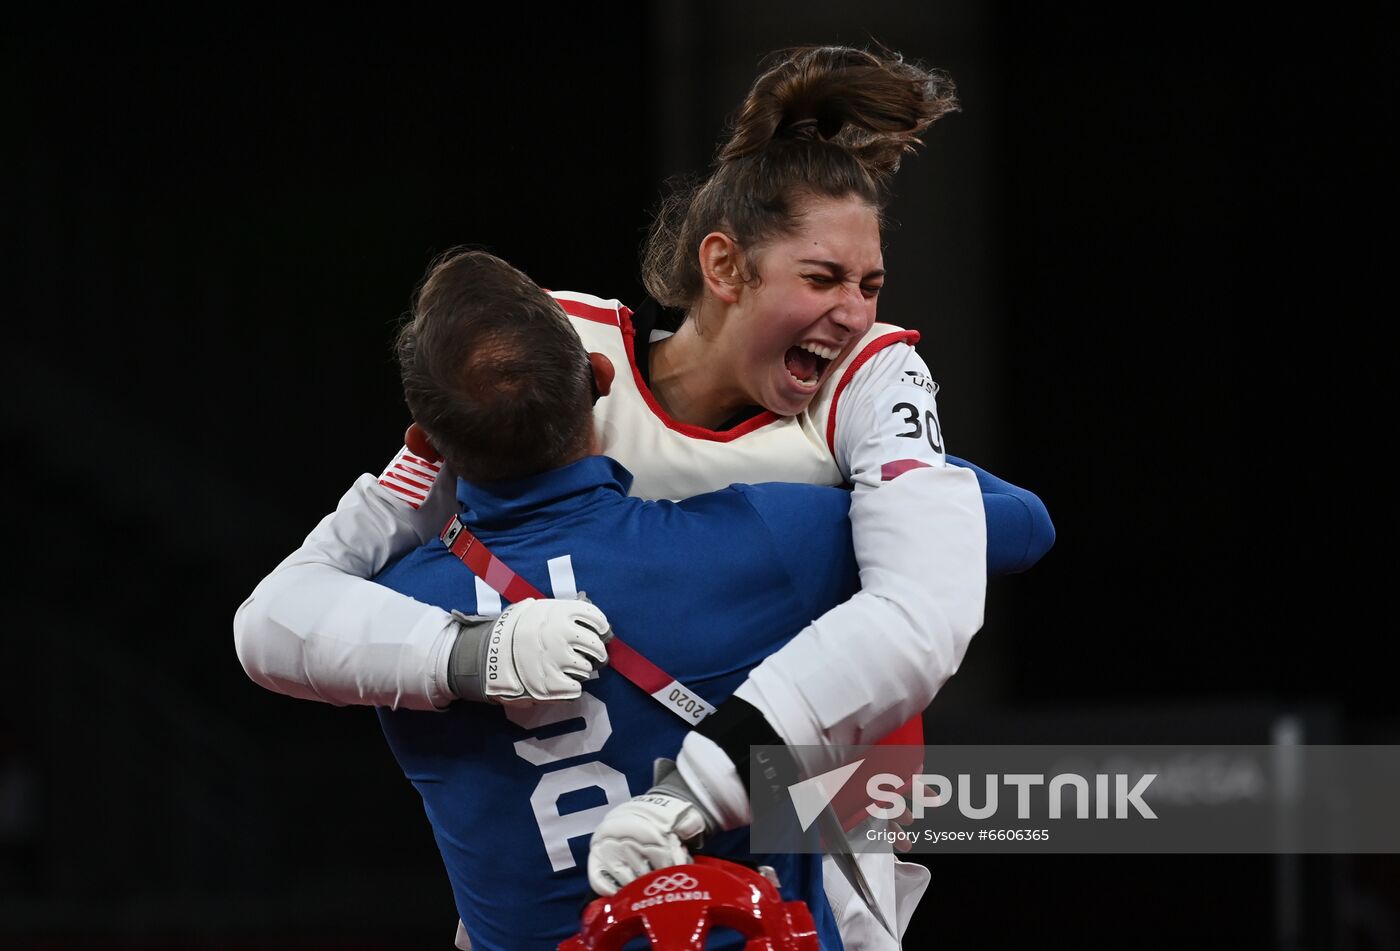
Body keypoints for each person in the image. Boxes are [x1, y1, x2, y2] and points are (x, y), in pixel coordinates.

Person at [234, 45, 1053, 947]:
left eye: (870, 283)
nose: (854, 310)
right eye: (821, 278)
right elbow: (282, 614)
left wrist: (864, 489)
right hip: (576, 843)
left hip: (808, 827)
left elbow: (997, 546)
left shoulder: (869, 376)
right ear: (724, 266)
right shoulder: (549, 353)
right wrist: (476, 650)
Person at [370, 248, 984, 949]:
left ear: (425, 441)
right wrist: (823, 456)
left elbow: (283, 627)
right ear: (602, 380)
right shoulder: (759, 539)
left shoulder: (387, 610)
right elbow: (1018, 527)